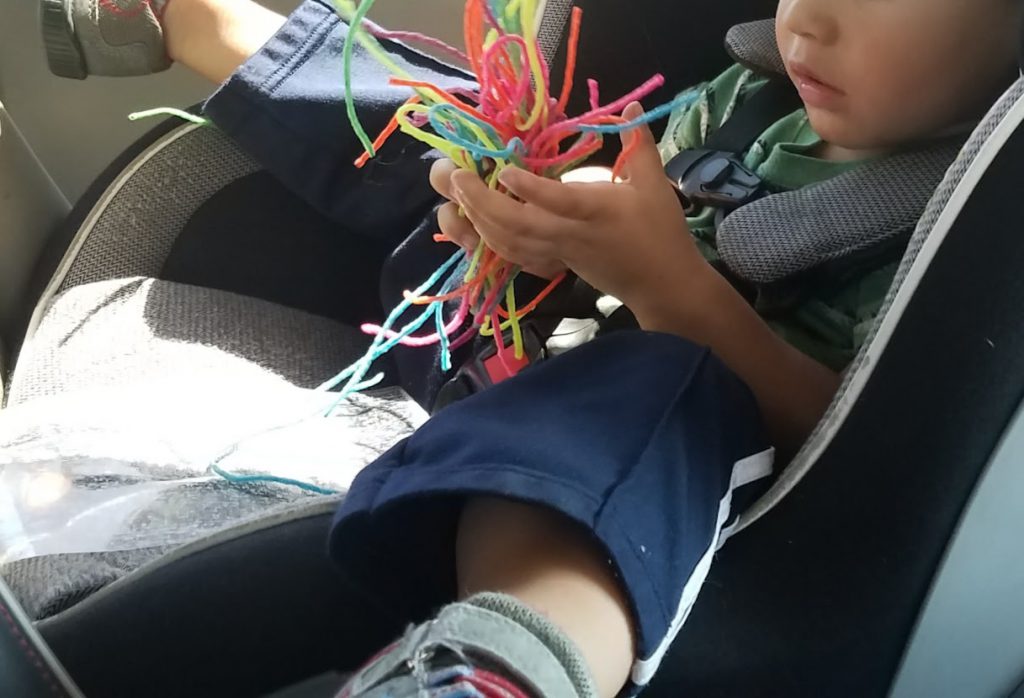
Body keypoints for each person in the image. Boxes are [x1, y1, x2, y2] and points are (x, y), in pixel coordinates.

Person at [40, 0, 1022, 696]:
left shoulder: (966, 222)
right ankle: (217, 28)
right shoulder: (754, 90)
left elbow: (862, 466)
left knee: (646, 394)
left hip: (654, 469)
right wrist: (534, 218)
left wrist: (665, 286)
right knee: (464, 121)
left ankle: (506, 663)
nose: (807, 19)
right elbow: (636, 194)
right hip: (517, 332)